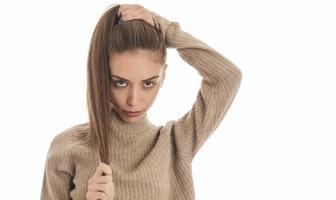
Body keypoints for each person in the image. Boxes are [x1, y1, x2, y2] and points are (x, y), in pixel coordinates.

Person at [40, 3, 242, 200]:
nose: (133, 101)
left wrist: (163, 28)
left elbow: (227, 77)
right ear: (101, 75)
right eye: (120, 82)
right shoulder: (66, 149)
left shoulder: (176, 144)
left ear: (163, 76)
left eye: (148, 83)